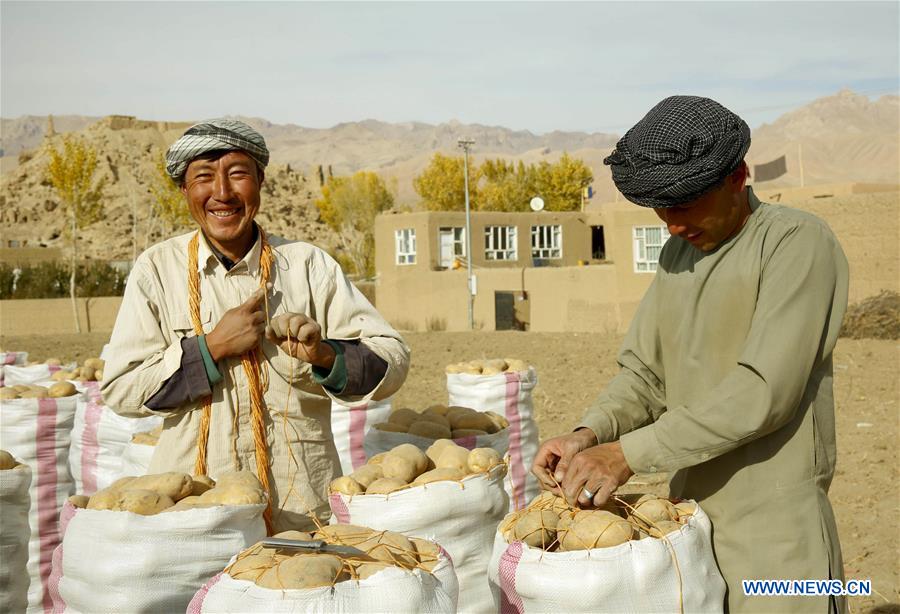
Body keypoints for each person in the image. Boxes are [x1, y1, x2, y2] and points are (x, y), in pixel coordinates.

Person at [532, 96, 848, 613]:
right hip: (686, 526)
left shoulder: (797, 244)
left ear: (738, 176)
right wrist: (590, 435)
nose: (674, 225)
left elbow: (762, 393)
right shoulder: (678, 254)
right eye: (662, 210)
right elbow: (644, 375)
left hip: (776, 538)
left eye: (685, 205)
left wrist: (626, 455)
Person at [102, 119, 409, 532]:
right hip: (195, 513)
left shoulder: (308, 266)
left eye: (238, 174)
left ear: (261, 181)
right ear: (184, 190)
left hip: (300, 510)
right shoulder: (156, 270)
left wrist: (324, 355)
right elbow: (121, 387)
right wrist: (210, 348)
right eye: (204, 178)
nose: (222, 194)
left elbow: (392, 360)